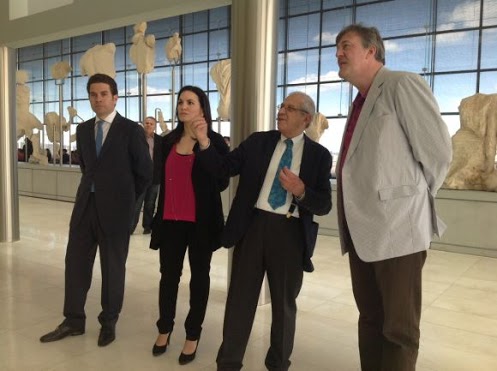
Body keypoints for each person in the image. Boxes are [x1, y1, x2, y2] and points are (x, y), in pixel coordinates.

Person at [334, 24, 452, 370]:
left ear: (372, 51)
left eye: (346, 46)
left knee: (398, 328)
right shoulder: (360, 100)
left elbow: (438, 152)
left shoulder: (401, 83)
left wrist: (412, 200)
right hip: (362, 230)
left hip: (398, 229)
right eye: (337, 48)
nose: (338, 54)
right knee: (370, 319)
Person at [193, 91, 332, 371]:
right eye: (281, 106)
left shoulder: (319, 156)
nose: (281, 111)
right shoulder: (258, 142)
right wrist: (205, 141)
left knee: (283, 306)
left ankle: (278, 363)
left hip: (290, 234)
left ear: (306, 118)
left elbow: (324, 204)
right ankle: (229, 362)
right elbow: (223, 167)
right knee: (240, 301)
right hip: (252, 228)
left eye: (289, 108)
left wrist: (301, 190)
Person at [39, 73, 153, 347]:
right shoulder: (83, 129)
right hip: (85, 209)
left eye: (103, 94)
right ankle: (73, 320)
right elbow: (88, 169)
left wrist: (124, 201)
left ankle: (108, 322)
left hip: (116, 212)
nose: (98, 99)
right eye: (93, 94)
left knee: (113, 269)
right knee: (75, 265)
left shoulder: (130, 130)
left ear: (115, 98)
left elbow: (145, 173)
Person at [149, 85, 229, 364]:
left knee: (199, 279)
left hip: (200, 225)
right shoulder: (167, 141)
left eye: (190, 102)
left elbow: (221, 181)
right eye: (181, 102)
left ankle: (192, 334)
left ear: (202, 108)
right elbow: (160, 182)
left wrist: (204, 143)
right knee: (168, 278)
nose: (183, 106)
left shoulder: (215, 142)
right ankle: (164, 328)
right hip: (170, 222)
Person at [131, 116, 162, 234]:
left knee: (150, 204)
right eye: (147, 123)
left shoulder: (160, 140)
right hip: (139, 178)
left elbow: (162, 159)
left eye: (151, 124)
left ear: (155, 126)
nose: (148, 125)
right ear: (144, 124)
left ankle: (147, 227)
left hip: (154, 178)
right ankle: (130, 227)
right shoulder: (137, 139)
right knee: (136, 204)